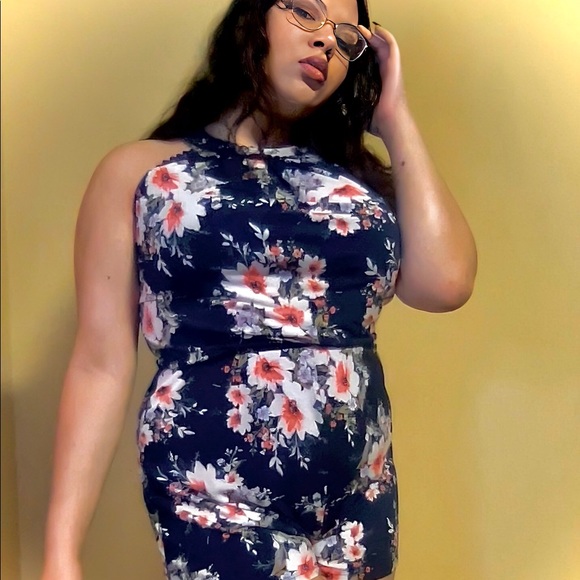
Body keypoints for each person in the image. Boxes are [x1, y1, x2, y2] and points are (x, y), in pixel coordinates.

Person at [41, 0, 477, 578]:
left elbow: (445, 284)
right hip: (213, 487)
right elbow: (100, 362)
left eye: (347, 37)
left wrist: (395, 117)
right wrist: (61, 552)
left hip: (358, 494)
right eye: (306, 12)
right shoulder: (144, 173)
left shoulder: (357, 186)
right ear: (253, 18)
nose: (326, 41)